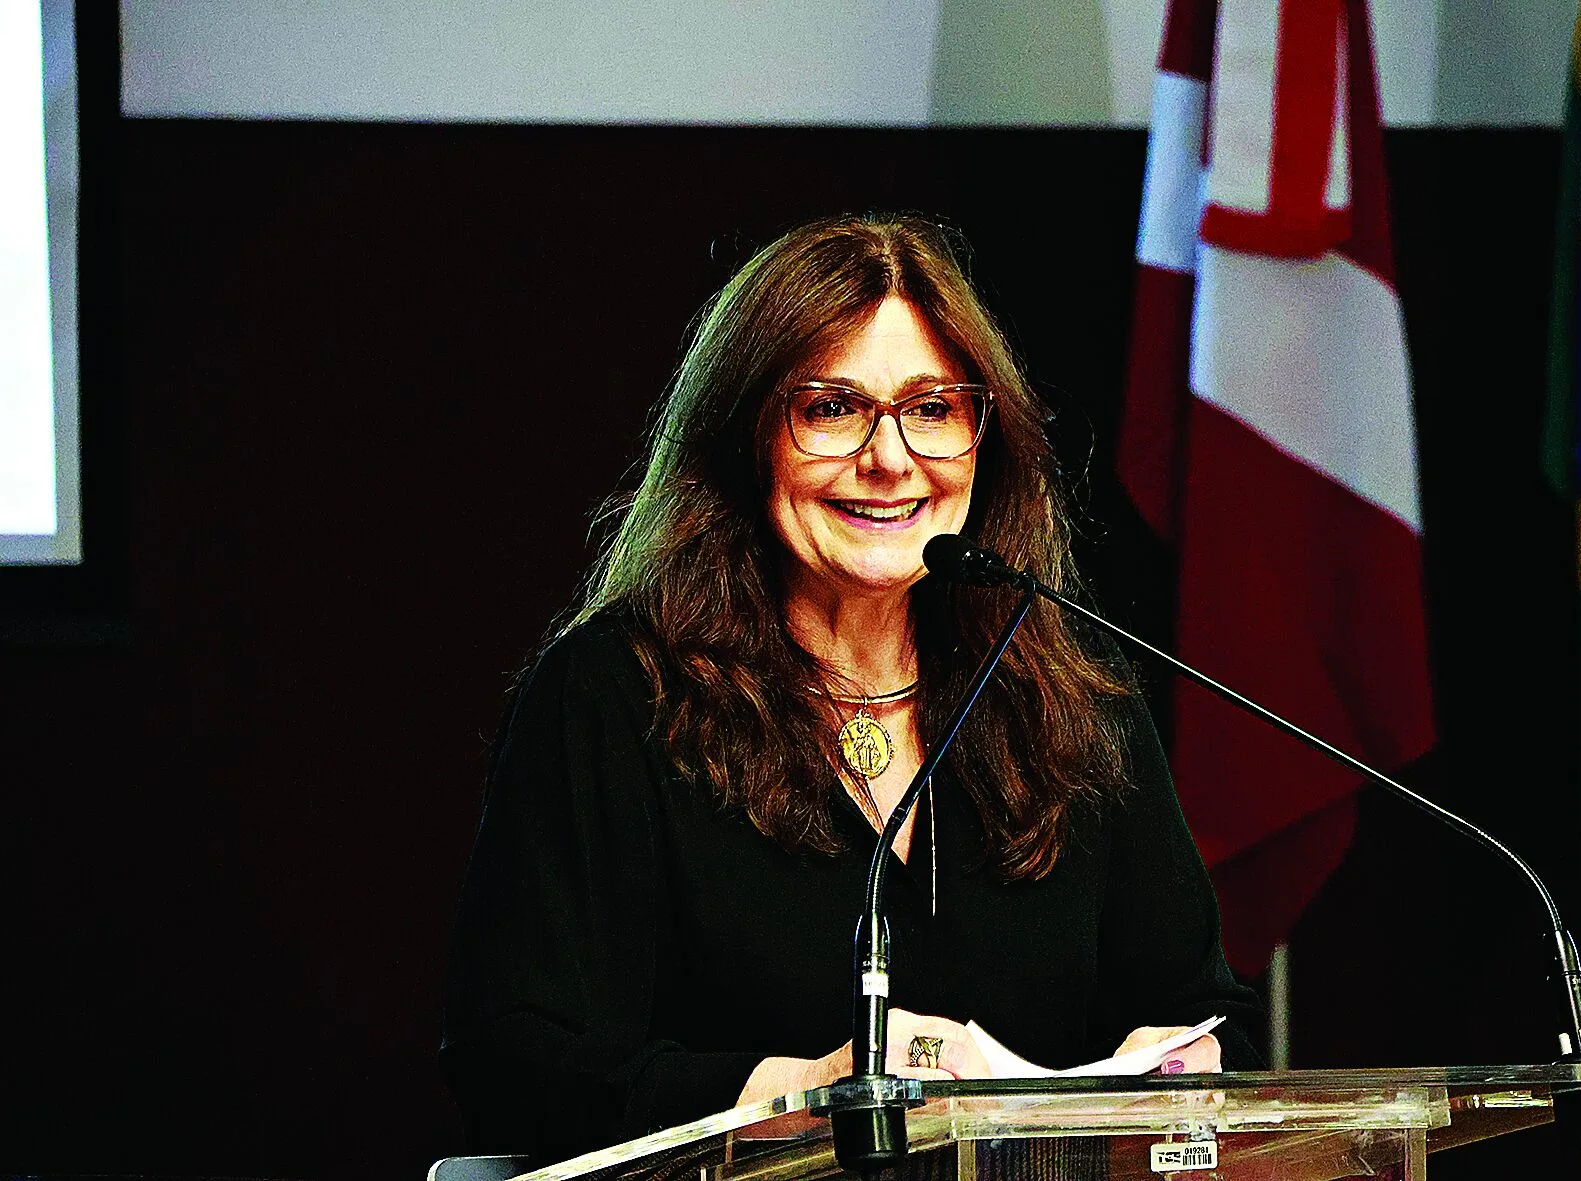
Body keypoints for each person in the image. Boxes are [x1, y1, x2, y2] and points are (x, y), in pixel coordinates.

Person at [441, 214, 1264, 1161]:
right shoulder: (616, 697)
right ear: (748, 435)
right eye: (832, 408)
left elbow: (1218, 1032)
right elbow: (516, 1064)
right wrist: (800, 1095)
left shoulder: (1070, 705)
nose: (888, 458)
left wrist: (1150, 1083)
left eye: (934, 408)